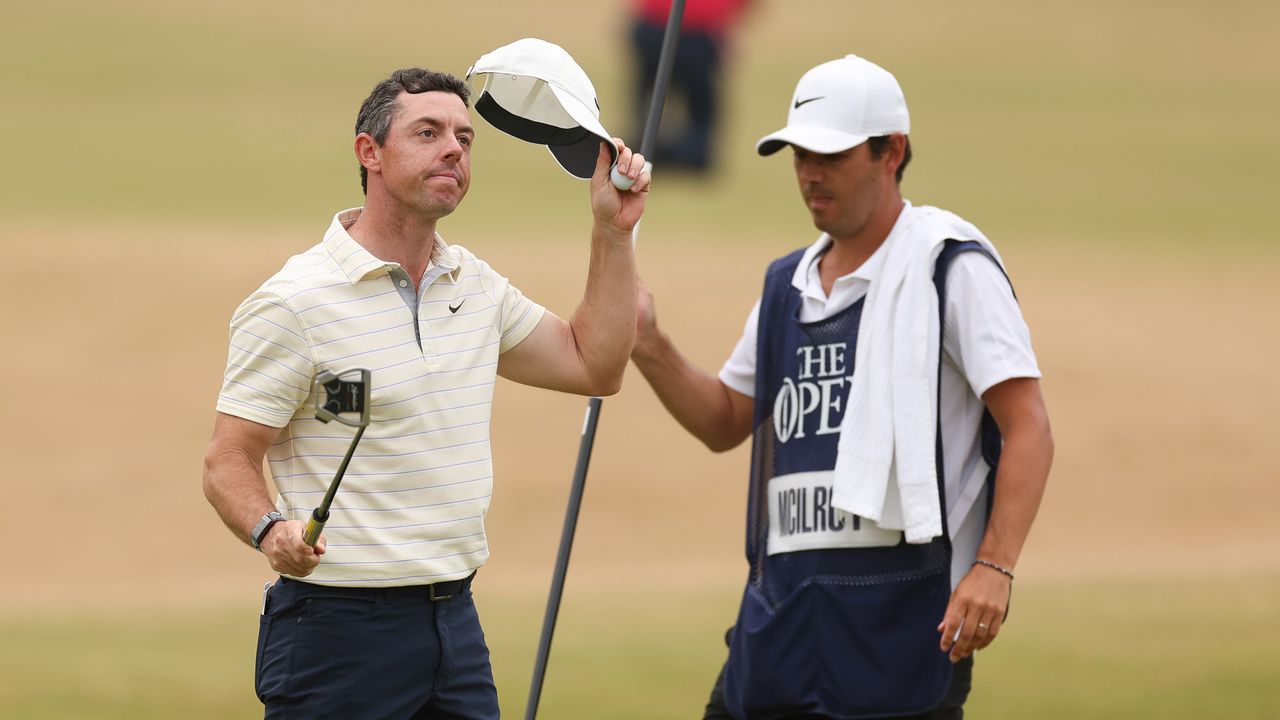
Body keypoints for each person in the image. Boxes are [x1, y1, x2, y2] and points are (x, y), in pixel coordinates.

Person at [202, 67, 650, 719]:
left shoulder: (474, 284)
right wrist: (271, 529)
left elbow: (595, 366)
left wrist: (613, 232)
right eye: (428, 133)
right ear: (369, 153)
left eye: (466, 139)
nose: (454, 150)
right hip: (338, 634)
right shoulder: (295, 302)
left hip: (454, 628)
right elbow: (226, 459)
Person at [630, 54, 1054, 719]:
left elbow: (1028, 424)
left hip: (903, 638)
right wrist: (648, 345)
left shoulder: (949, 266)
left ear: (893, 152)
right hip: (778, 634)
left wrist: (995, 566)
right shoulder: (784, 286)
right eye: (799, 155)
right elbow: (725, 419)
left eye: (831, 155)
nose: (809, 173)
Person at [628, 0, 750, 173]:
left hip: (667, 29)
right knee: (694, 107)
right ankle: (659, 154)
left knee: (653, 101)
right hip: (685, 33)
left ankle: (652, 153)